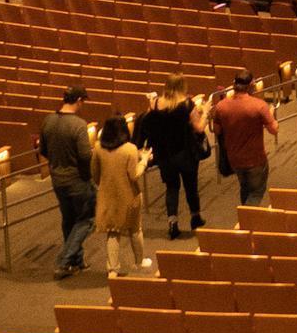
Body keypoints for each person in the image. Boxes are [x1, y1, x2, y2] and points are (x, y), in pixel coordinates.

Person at [135, 76, 208, 240]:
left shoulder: (154, 104)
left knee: (171, 187)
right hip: (185, 153)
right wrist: (206, 112)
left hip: (164, 154)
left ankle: (172, 223)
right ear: (182, 86)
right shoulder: (187, 104)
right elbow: (199, 128)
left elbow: (151, 122)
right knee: (190, 186)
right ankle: (195, 218)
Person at [38, 86, 95, 279]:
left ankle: (76, 262)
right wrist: (88, 176)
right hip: (77, 179)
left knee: (69, 220)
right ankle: (64, 261)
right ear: (78, 100)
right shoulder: (78, 125)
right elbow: (85, 155)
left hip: (57, 179)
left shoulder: (48, 120)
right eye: (83, 101)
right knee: (87, 220)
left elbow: (43, 150)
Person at [91, 116, 151, 277]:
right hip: (129, 195)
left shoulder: (97, 148)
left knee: (113, 231)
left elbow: (95, 174)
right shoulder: (130, 148)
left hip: (107, 195)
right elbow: (134, 174)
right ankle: (139, 261)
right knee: (135, 229)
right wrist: (144, 160)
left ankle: (113, 268)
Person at [210, 72, 279, 209]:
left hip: (234, 159)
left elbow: (217, 131)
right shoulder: (259, 106)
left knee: (245, 188)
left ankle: (246, 218)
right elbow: (274, 130)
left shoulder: (221, 106)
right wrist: (270, 114)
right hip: (255, 159)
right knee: (256, 193)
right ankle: (246, 219)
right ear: (251, 85)